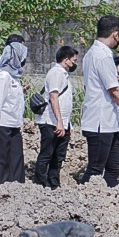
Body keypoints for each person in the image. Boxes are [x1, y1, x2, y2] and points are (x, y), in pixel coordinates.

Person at [77, 16, 119, 187]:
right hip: (100, 122)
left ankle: (107, 203)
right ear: (115, 34)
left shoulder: (92, 54)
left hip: (107, 122)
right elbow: (114, 89)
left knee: (114, 166)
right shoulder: (102, 56)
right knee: (95, 169)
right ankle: (80, 202)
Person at [0, 36, 28, 187]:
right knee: (0, 160)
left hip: (13, 124)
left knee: (15, 160)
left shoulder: (14, 75)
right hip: (2, 124)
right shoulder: (2, 75)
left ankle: (15, 191)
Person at [33, 46, 78, 188]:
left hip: (61, 123)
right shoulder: (56, 73)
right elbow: (54, 97)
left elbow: (65, 102)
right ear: (66, 59)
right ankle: (39, 184)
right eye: (74, 60)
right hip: (50, 121)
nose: (75, 63)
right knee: (47, 154)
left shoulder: (64, 74)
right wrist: (59, 121)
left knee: (58, 156)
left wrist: (67, 124)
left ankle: (53, 183)